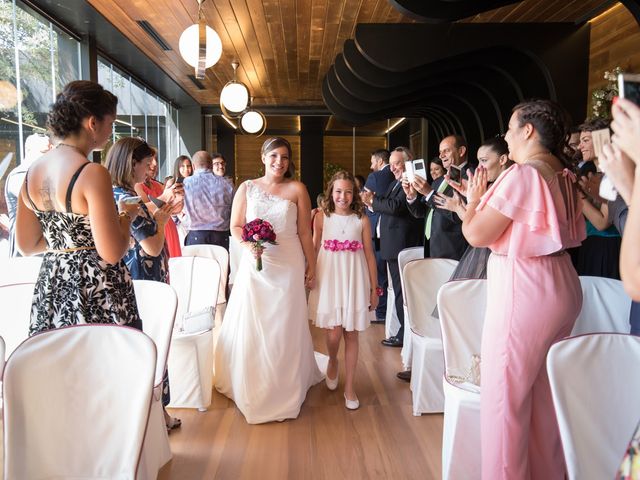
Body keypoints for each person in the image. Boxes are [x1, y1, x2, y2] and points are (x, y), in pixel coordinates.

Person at [461, 99, 584, 478]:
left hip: (525, 289)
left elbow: (476, 234)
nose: (507, 139)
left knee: (504, 402)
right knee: (544, 400)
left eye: (510, 130)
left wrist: (472, 202)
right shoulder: (561, 171)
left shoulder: (523, 174)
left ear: (528, 131)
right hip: (562, 283)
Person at [15, 80, 141, 333]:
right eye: (110, 123)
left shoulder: (31, 174)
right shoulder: (91, 173)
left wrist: (67, 244)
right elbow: (112, 252)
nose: (111, 131)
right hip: (96, 288)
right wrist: (126, 215)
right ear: (92, 123)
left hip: (52, 286)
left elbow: (27, 245)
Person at [214, 137, 323, 424]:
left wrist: (312, 266)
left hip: (288, 262)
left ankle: (284, 383)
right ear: (263, 157)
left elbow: (303, 232)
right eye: (274, 156)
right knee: (255, 321)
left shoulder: (297, 188)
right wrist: (248, 245)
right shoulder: (247, 188)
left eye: (285, 157)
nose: (279, 162)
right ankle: (254, 381)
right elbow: (235, 226)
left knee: (284, 323)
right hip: (256, 262)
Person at [106, 136, 182, 431]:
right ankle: (157, 416)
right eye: (145, 162)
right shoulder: (127, 198)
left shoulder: (117, 193)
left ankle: (154, 416)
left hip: (134, 275)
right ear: (131, 163)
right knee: (152, 342)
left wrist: (160, 207)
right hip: (144, 278)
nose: (150, 166)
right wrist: (162, 222)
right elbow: (150, 245)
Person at [308, 171, 378, 410]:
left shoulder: (362, 220)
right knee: (334, 333)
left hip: (354, 279)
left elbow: (369, 255)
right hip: (330, 279)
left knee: (351, 333)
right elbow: (315, 247)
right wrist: (310, 273)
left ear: (354, 194)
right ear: (331, 192)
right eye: (338, 191)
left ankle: (350, 388)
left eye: (348, 191)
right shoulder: (321, 217)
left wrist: (374, 289)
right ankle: (332, 360)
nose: (343, 196)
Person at [361, 147, 422, 348]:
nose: (394, 167)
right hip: (392, 245)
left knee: (403, 294)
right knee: (397, 292)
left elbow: (395, 207)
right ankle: (402, 332)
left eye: (398, 163)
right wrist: (371, 202)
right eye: (393, 163)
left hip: (402, 245)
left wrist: (372, 200)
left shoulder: (410, 182)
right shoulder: (395, 183)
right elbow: (385, 203)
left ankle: (405, 334)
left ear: (408, 162)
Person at [404, 135, 470, 260]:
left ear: (461, 151)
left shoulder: (470, 175)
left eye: (446, 151)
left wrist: (429, 193)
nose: (441, 156)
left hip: (454, 251)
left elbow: (459, 215)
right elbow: (421, 212)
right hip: (432, 246)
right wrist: (411, 196)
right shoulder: (438, 181)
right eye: (440, 152)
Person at [5, 132, 52, 257]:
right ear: (28, 150)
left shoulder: (38, 174)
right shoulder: (21, 174)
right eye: (43, 152)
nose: (47, 156)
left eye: (49, 152)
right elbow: (40, 200)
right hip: (26, 256)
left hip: (37, 250)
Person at [363, 148, 395, 323]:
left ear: (380, 161)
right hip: (396, 233)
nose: (371, 166)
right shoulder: (397, 176)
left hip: (378, 231)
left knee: (380, 274)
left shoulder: (375, 178)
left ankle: (381, 312)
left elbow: (364, 198)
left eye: (373, 162)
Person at [135, 146, 183, 258]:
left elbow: (172, 209)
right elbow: (146, 212)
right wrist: (166, 196)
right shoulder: (138, 186)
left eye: (155, 159)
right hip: (158, 229)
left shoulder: (157, 184)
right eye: (150, 161)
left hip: (169, 227)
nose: (155, 164)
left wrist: (178, 197)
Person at [182, 150, 234, 250]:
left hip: (196, 237)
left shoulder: (186, 183)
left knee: (196, 266)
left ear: (193, 166)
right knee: (221, 265)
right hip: (221, 237)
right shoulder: (227, 184)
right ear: (211, 165)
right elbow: (234, 210)